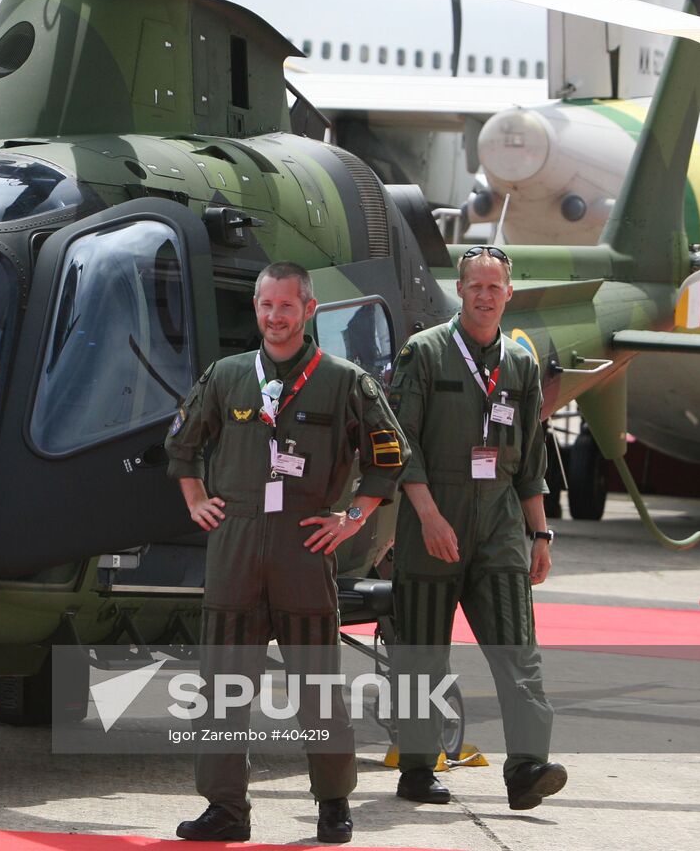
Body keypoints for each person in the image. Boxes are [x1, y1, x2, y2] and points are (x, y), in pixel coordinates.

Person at [165, 261, 410, 845]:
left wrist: (351, 519)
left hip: (305, 544)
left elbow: (390, 455)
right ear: (256, 309)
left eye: (286, 306)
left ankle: (332, 804)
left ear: (309, 310)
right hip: (236, 544)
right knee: (222, 684)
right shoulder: (226, 376)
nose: (274, 317)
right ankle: (226, 808)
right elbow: (182, 444)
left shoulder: (344, 380)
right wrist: (197, 500)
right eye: (265, 306)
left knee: (316, 685)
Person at [387, 245, 564, 810]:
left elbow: (530, 461)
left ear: (509, 294)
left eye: (495, 288)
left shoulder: (522, 365)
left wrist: (539, 535)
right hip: (432, 519)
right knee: (422, 654)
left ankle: (528, 767)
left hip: (499, 525)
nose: (485, 297)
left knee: (518, 650)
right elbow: (399, 445)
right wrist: (430, 516)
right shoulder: (426, 352)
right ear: (459, 291)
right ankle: (417, 768)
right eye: (475, 287)